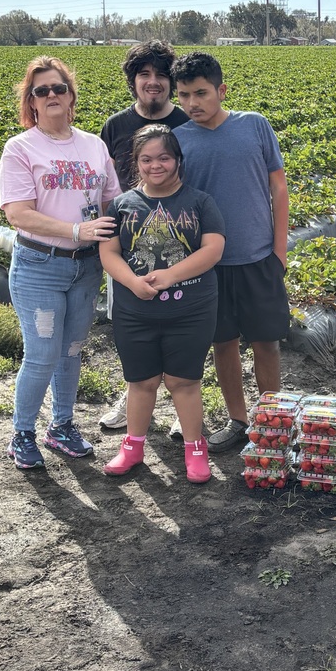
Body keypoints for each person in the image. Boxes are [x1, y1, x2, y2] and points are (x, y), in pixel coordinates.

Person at [0, 57, 120, 470]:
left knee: (71, 350)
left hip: (86, 267)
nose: (51, 95)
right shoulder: (21, 148)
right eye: (41, 91)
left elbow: (110, 202)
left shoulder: (93, 145)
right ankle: (22, 433)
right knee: (42, 354)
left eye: (58, 88)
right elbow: (18, 213)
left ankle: (61, 426)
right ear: (31, 102)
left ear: (71, 95)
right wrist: (74, 231)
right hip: (40, 264)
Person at [173, 52, 290, 450]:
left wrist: (279, 252)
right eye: (185, 95)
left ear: (221, 91)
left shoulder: (254, 125)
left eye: (201, 93)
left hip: (258, 257)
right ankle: (239, 420)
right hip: (209, 265)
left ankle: (272, 420)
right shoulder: (180, 140)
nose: (193, 103)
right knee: (222, 342)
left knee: (266, 342)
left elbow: (278, 187)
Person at [99, 125, 225, 482]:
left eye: (164, 158)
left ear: (178, 160)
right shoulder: (121, 206)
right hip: (134, 310)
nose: (156, 166)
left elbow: (213, 248)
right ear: (135, 163)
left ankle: (194, 448)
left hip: (191, 309)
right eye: (147, 159)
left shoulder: (200, 202)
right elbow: (108, 252)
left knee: (184, 382)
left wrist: (171, 275)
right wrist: (132, 282)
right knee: (141, 382)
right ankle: (132, 447)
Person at [98, 40, 190, 433]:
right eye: (144, 75)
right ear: (133, 81)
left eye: (160, 75)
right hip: (127, 244)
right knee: (130, 320)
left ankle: (181, 400)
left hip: (181, 240)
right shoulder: (115, 125)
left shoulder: (187, 123)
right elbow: (105, 185)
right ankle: (135, 394)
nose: (152, 82)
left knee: (181, 319)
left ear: (171, 81)